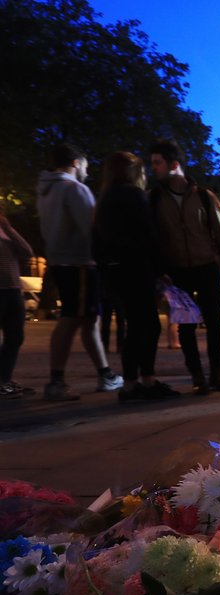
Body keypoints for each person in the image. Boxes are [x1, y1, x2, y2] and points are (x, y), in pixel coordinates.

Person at [149, 139, 220, 395]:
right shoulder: (154, 199)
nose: (153, 168)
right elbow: (153, 238)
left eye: (157, 163)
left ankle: (217, 373)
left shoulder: (203, 196)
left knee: (214, 322)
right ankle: (197, 376)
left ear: (174, 165)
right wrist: (160, 271)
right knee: (186, 325)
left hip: (206, 266)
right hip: (177, 270)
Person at [37, 143, 123, 401]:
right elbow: (92, 227)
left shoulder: (46, 189)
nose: (87, 172)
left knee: (88, 320)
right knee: (72, 319)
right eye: (85, 166)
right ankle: (56, 381)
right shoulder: (75, 189)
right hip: (80, 262)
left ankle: (105, 373)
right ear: (76, 163)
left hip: (59, 260)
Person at [95, 151, 180, 402]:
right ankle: (143, 381)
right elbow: (147, 235)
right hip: (137, 268)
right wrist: (161, 269)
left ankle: (133, 383)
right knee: (148, 326)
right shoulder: (133, 195)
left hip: (116, 270)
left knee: (135, 326)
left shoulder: (105, 199)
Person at [0, 211, 34, 399]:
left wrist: (8, 228)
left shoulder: (6, 230)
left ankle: (4, 378)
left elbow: (27, 251)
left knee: (15, 336)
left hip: (13, 290)